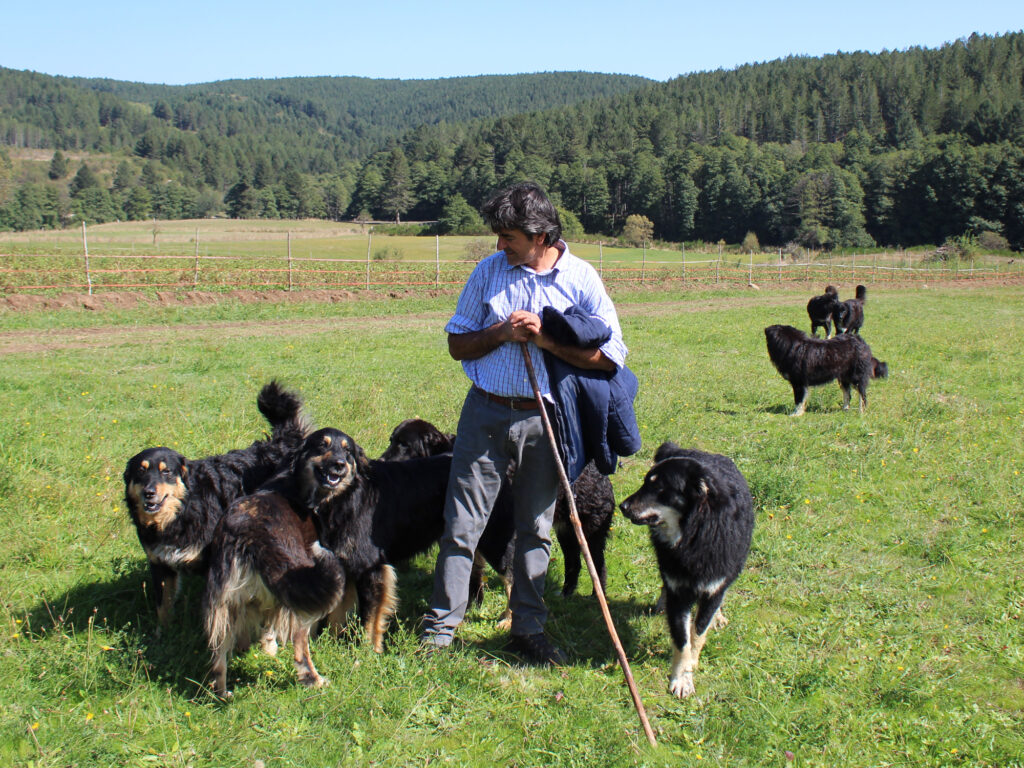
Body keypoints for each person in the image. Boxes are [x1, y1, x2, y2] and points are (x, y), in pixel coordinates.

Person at [419, 181, 628, 664]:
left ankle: (528, 629)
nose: (499, 245)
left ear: (539, 235)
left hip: (546, 420)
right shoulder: (488, 272)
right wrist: (501, 332)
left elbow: (612, 356)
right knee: (462, 524)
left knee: (536, 526)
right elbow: (456, 344)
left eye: (508, 236)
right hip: (485, 413)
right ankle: (440, 631)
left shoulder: (581, 279)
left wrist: (547, 342)